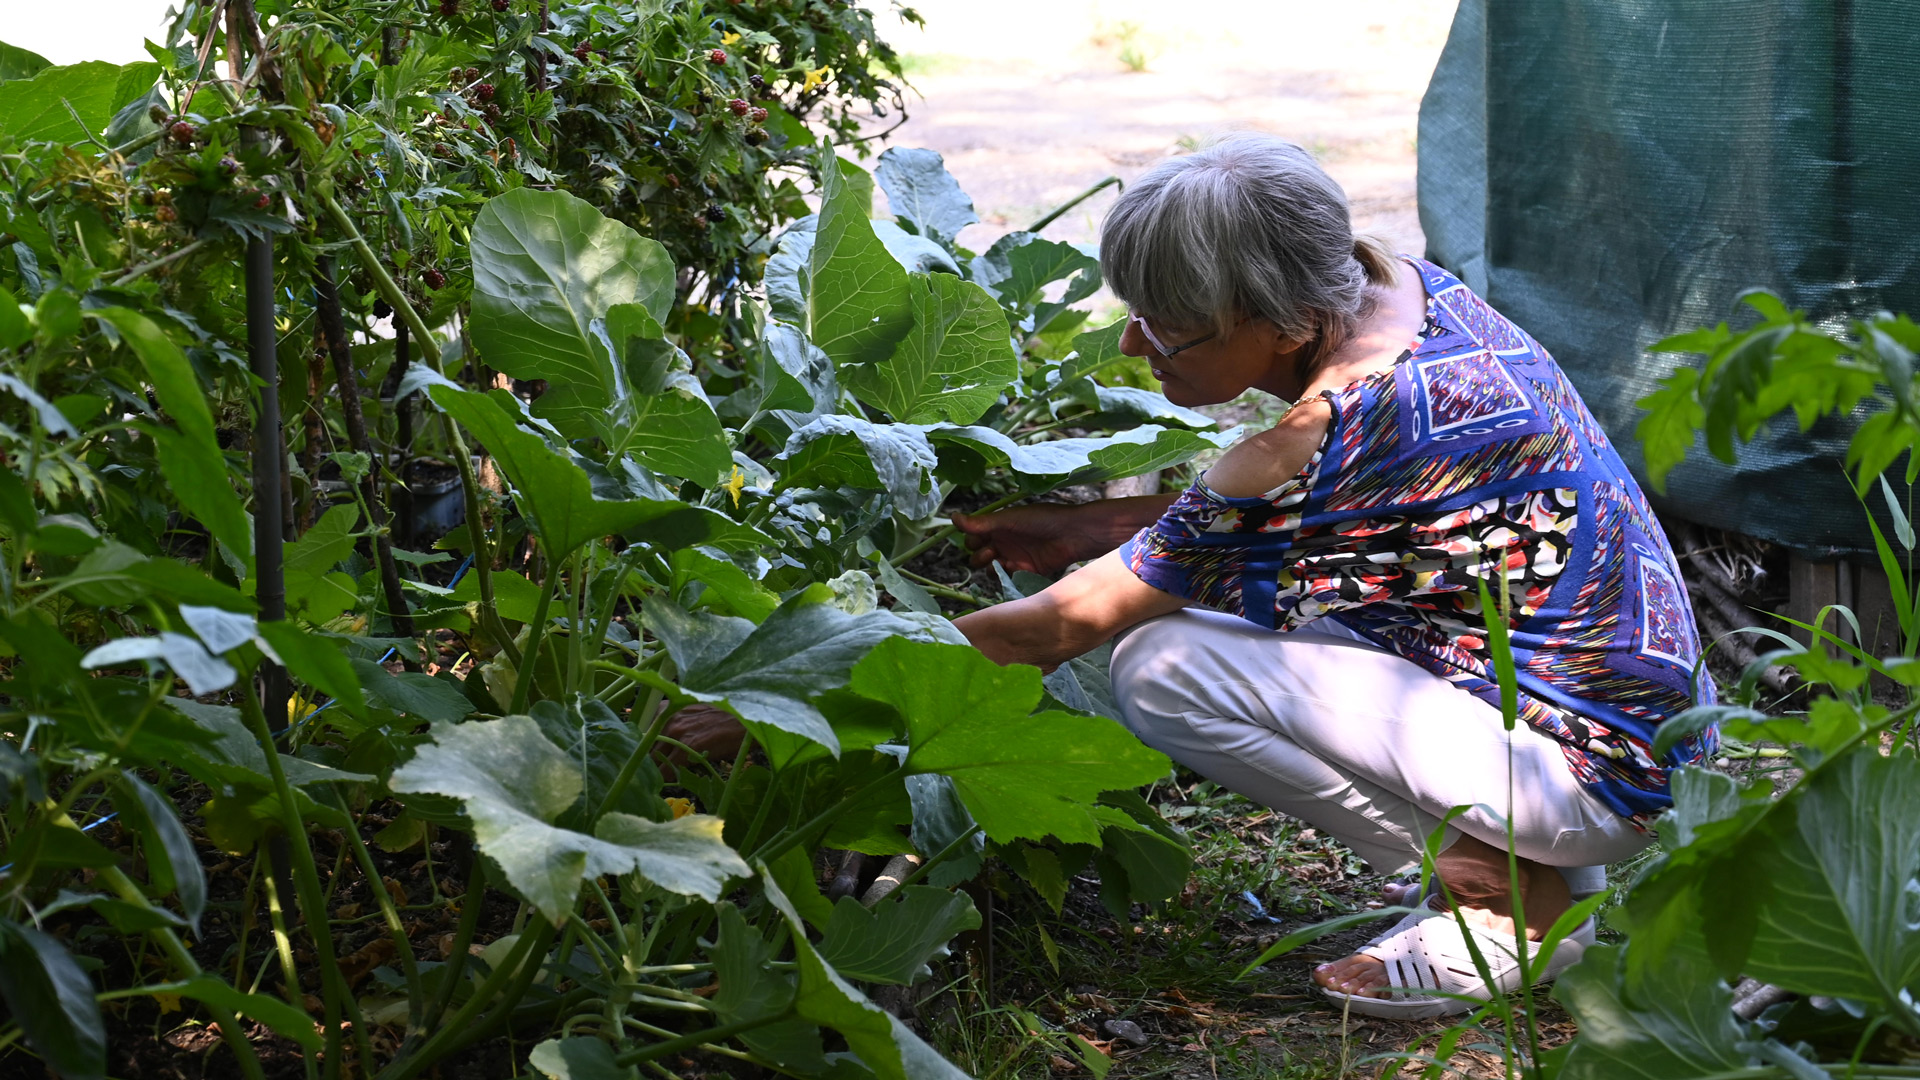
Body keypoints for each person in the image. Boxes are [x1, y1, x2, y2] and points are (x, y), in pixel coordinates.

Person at [945, 133, 1716, 1017]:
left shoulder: (1327, 434)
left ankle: (1505, 894)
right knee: (1232, 616)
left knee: (1160, 667)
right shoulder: (1400, 287)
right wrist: (1085, 528)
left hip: (1590, 774)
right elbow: (1293, 535)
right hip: (1643, 723)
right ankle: (1517, 863)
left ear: (1288, 325)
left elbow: (1050, 631)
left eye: (1165, 325)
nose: (1131, 344)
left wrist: (788, 702)